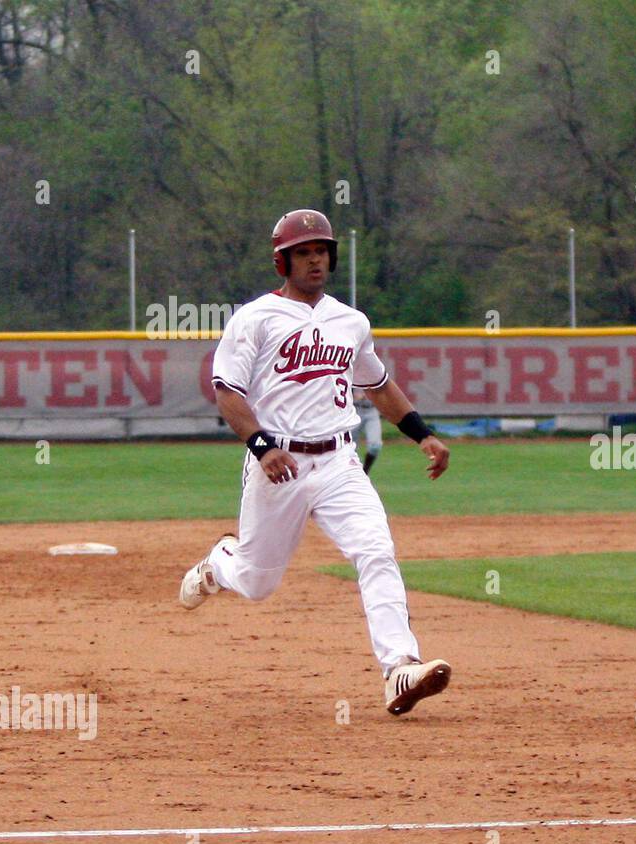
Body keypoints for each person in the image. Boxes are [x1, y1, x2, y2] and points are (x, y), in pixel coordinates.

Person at [179, 209, 454, 717]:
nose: (315, 261)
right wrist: (262, 448)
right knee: (258, 584)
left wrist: (423, 435)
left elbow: (378, 387)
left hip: (338, 461)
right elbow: (227, 392)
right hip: (277, 465)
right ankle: (222, 562)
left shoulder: (350, 322)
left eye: (322, 252)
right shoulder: (255, 318)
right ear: (282, 260)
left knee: (376, 551)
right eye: (304, 252)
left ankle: (399, 669)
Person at [353, 388, 383, 474]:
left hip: (372, 410)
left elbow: (383, 387)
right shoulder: (350, 374)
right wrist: (351, 395)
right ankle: (350, 476)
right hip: (354, 410)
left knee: (375, 446)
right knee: (350, 446)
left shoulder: (375, 374)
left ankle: (365, 472)